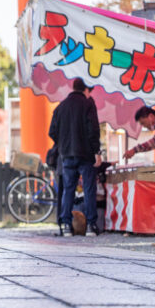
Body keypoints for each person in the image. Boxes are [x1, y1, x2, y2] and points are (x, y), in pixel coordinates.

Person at [48, 78, 102, 237]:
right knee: (89, 188)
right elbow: (93, 130)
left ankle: (66, 225)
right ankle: (91, 226)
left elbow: (52, 132)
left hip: (67, 155)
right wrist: (97, 151)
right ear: (86, 89)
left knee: (68, 189)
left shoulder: (61, 107)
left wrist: (63, 144)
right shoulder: (88, 103)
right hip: (85, 154)